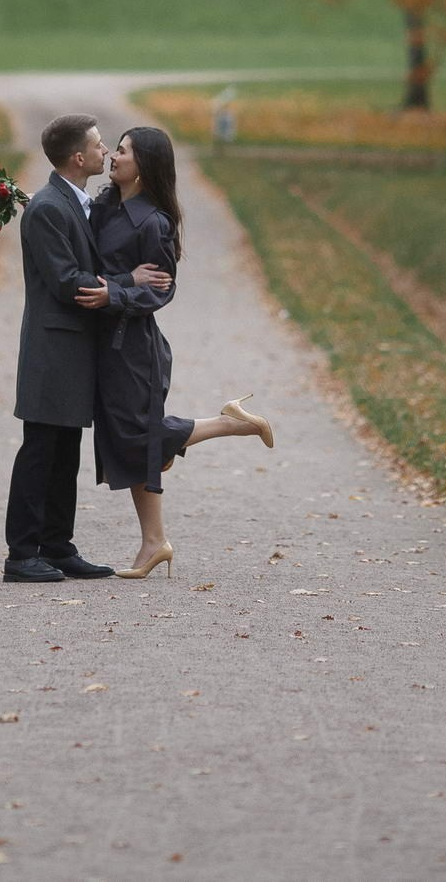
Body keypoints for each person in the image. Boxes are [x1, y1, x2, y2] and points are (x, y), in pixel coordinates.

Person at [87, 125, 274, 581]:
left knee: (137, 438)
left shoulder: (154, 223)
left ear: (144, 166)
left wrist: (115, 293)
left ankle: (230, 424)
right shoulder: (106, 204)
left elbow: (160, 291)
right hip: (103, 343)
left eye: (123, 151)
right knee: (129, 442)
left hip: (133, 348)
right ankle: (154, 542)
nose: (113, 156)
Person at [3, 112, 142, 583]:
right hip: (52, 349)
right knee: (40, 450)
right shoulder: (48, 208)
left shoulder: (74, 202)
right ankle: (21, 554)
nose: (106, 151)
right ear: (79, 157)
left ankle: (58, 547)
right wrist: (127, 282)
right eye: (99, 145)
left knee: (65, 452)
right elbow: (66, 281)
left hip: (73, 349)